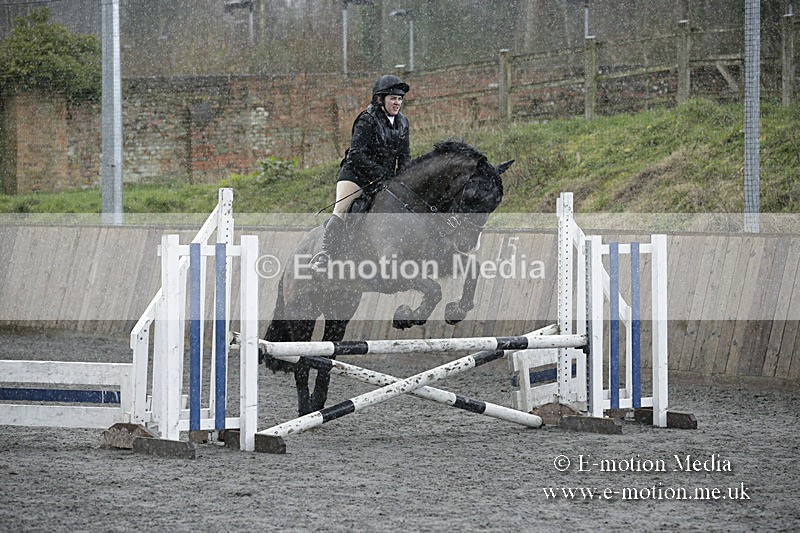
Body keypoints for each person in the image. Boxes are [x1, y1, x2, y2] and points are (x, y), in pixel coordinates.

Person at [311, 74, 411, 273]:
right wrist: (380, 174)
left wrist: (402, 178)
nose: (397, 103)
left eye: (400, 99)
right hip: (356, 175)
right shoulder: (367, 119)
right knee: (341, 210)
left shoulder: (403, 122)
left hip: (385, 179)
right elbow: (356, 154)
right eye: (393, 98)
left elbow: (404, 155)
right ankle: (325, 255)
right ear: (380, 99)